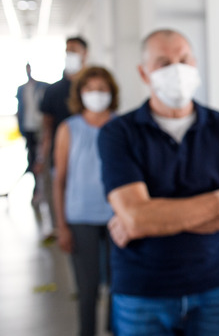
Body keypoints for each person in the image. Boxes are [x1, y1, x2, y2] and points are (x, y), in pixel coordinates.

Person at [97, 29, 219, 336]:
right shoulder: (118, 133)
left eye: (183, 60)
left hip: (215, 286)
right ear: (144, 73)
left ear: (195, 64)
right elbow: (136, 216)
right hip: (141, 291)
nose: (177, 70)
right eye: (163, 62)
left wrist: (149, 218)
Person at [52, 66, 118, 336]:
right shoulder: (69, 129)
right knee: (88, 288)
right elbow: (60, 180)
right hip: (80, 217)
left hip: (118, 216)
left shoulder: (121, 125)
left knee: (119, 285)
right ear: (80, 93)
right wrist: (62, 226)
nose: (96, 95)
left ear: (111, 93)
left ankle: (116, 330)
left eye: (102, 89)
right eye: (90, 89)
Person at [39, 36, 89, 240]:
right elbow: (47, 128)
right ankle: (60, 228)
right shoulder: (53, 91)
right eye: (67, 51)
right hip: (61, 154)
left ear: (85, 54)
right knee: (59, 190)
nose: (70, 55)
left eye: (74, 50)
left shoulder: (93, 87)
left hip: (87, 155)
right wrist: (42, 156)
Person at [16, 63, 49, 202]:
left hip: (40, 128)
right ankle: (37, 190)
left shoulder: (43, 86)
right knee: (32, 158)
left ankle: (40, 191)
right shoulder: (21, 89)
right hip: (28, 127)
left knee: (40, 159)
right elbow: (20, 109)